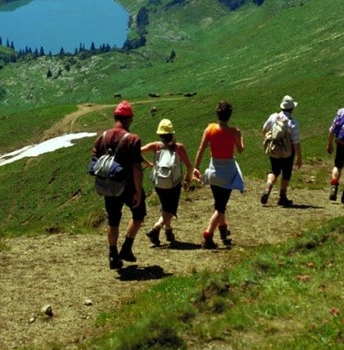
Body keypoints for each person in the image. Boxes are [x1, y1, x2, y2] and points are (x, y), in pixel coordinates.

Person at [91, 100, 147, 269]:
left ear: (115, 117)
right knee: (139, 215)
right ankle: (126, 248)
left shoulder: (102, 137)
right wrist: (138, 191)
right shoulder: (133, 139)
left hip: (110, 185)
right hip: (129, 186)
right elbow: (137, 168)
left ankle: (112, 254)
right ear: (129, 119)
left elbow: (96, 161)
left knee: (113, 220)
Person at [192, 100, 245, 248]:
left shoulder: (210, 129)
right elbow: (240, 150)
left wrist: (195, 168)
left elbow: (201, 149)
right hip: (228, 172)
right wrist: (241, 137)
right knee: (220, 207)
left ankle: (223, 230)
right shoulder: (234, 132)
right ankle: (208, 235)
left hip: (213, 170)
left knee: (219, 203)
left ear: (217, 114)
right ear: (229, 116)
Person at [141, 118, 194, 247]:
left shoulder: (156, 146)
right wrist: (187, 179)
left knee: (166, 207)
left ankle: (168, 230)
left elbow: (136, 152)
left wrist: (148, 164)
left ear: (160, 134)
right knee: (170, 210)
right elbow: (189, 166)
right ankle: (156, 228)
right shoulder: (179, 148)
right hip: (174, 183)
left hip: (159, 183)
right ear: (172, 134)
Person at [259, 94, 303, 207]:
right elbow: (295, 142)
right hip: (288, 152)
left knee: (274, 170)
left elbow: (264, 130)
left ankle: (268, 187)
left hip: (274, 149)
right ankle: (282, 197)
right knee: (286, 173)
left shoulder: (274, 117)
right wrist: (299, 157)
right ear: (292, 109)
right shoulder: (293, 123)